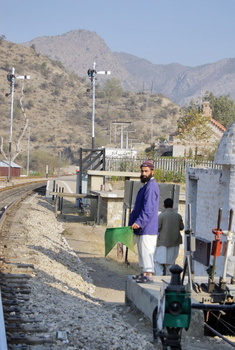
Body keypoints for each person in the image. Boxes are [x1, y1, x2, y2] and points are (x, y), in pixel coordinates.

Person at [129, 159, 159, 283]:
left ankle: (149, 275)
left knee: (147, 251)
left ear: (153, 172)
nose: (143, 174)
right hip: (143, 228)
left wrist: (139, 222)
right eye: (142, 171)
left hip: (148, 227)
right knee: (142, 251)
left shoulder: (151, 187)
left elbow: (149, 208)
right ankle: (144, 274)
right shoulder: (146, 186)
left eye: (146, 171)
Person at [154, 198, 184, 276]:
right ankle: (169, 280)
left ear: (164, 205)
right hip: (174, 242)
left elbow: (157, 228)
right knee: (170, 264)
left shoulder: (161, 216)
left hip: (162, 243)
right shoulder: (178, 216)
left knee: (158, 262)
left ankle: (159, 278)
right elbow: (181, 227)